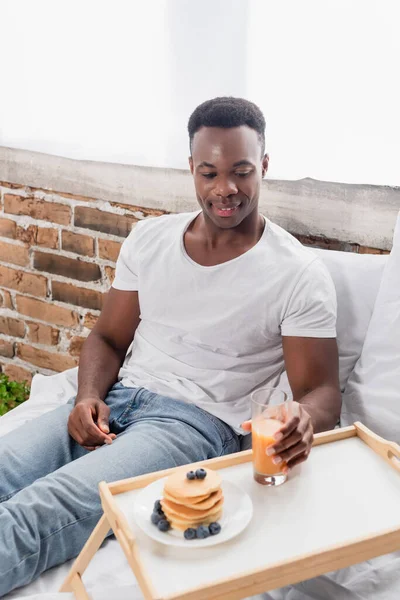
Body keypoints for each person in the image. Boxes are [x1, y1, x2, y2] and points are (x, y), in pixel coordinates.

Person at [0, 97, 341, 596]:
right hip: (118, 402)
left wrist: (305, 421)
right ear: (191, 171)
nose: (225, 189)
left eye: (242, 172)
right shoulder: (149, 239)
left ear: (264, 167)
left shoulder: (298, 273)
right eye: (209, 173)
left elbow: (323, 392)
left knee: (38, 513)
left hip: (192, 425)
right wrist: (86, 395)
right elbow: (108, 338)